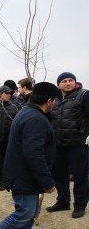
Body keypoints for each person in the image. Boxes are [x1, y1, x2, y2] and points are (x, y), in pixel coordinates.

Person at [0, 82, 59, 229]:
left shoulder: (28, 112)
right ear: (49, 101)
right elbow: (34, 153)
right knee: (25, 212)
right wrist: (47, 182)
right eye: (55, 100)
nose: (56, 103)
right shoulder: (35, 119)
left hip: (24, 174)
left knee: (29, 212)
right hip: (24, 175)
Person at [47, 72, 89, 218]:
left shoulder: (84, 95)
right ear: (59, 84)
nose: (68, 83)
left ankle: (80, 205)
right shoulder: (54, 100)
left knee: (80, 176)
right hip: (58, 145)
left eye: (71, 80)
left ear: (75, 82)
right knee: (59, 175)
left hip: (77, 144)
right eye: (64, 81)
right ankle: (63, 202)